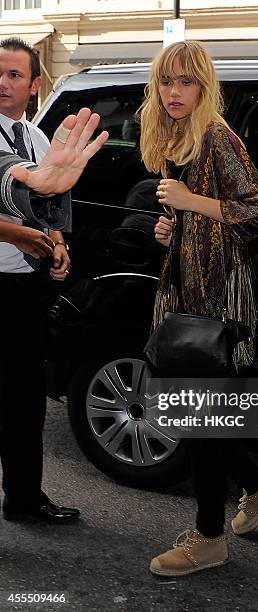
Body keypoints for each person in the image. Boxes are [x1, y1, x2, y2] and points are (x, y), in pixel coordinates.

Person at [138, 40, 258, 577]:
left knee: (201, 421)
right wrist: (172, 231)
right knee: (199, 417)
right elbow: (202, 225)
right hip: (188, 296)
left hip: (218, 302)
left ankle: (208, 538)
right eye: (166, 81)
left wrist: (190, 203)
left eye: (185, 81)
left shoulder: (217, 137)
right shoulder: (180, 140)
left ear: (204, 86)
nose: (174, 92)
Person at [0, 36, 109, 524]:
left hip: (26, 291)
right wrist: (21, 232)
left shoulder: (41, 139)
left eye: (14, 75)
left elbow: (53, 213)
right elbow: (17, 178)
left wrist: (57, 246)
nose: (2, 83)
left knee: (25, 399)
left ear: (34, 85)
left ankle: (24, 498)